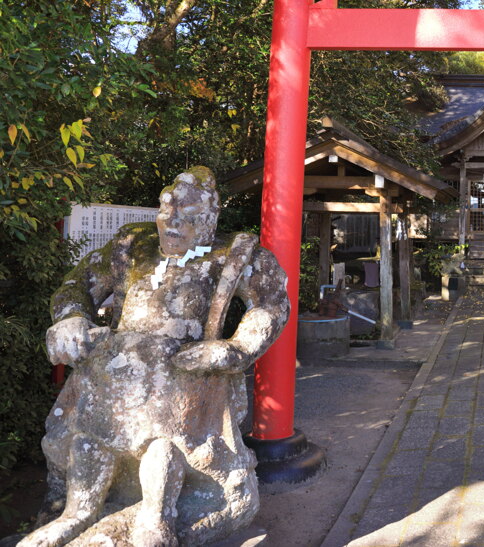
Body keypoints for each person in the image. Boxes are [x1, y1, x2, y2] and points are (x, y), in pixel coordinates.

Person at [20, 167, 288, 547]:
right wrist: (71, 319)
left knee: (161, 447)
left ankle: (156, 514)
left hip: (183, 371)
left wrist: (235, 348)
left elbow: (270, 304)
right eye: (165, 210)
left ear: (210, 218)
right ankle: (76, 513)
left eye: (187, 214)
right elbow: (77, 285)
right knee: (88, 439)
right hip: (113, 369)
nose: (172, 222)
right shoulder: (132, 245)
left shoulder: (234, 254)